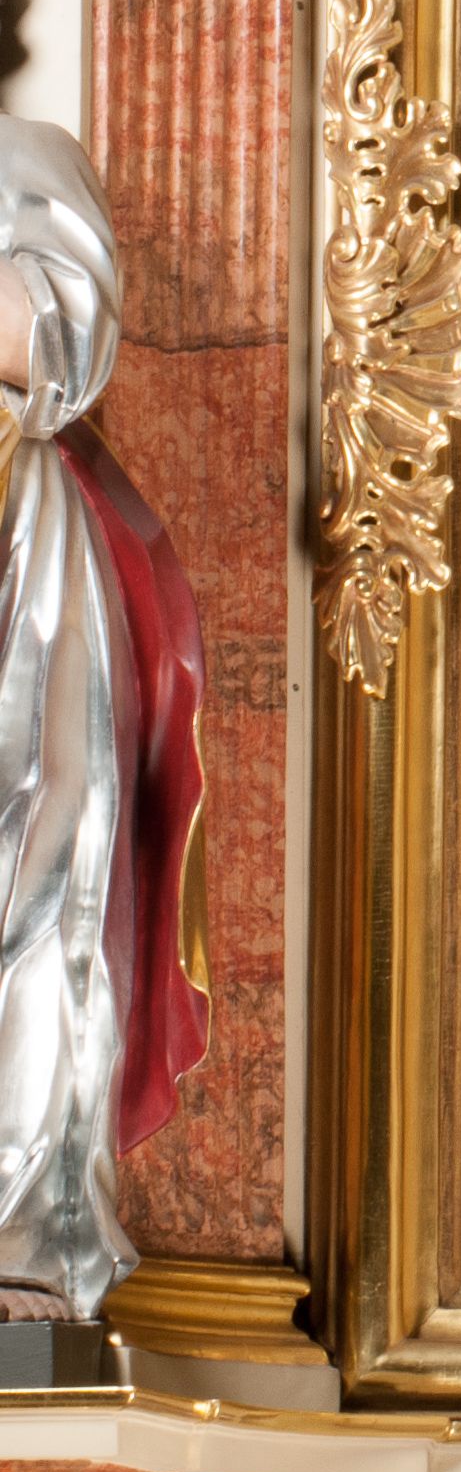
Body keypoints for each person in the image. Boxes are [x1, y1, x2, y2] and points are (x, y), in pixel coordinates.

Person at [0, 120, 209, 1320]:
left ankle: (27, 1233)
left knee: (48, 869)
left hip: (24, 575)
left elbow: (63, 344)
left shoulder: (24, 160)